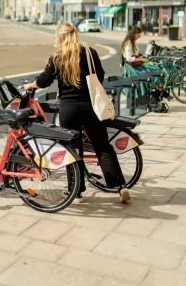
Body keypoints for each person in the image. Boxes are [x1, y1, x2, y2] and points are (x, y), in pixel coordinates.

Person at [24, 21, 131, 204]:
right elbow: (100, 75)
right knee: (102, 147)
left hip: (69, 109)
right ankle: (120, 187)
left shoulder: (57, 57)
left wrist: (31, 85)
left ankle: (76, 191)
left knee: (72, 150)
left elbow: (44, 81)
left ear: (60, 36)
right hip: (91, 107)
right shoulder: (90, 52)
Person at [121, 26, 160, 98]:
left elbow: (136, 54)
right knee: (149, 71)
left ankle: (158, 90)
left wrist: (142, 57)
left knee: (153, 68)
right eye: (138, 35)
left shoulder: (133, 42)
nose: (139, 37)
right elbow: (129, 59)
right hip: (131, 66)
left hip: (135, 64)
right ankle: (155, 91)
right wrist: (141, 59)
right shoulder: (128, 44)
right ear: (134, 34)